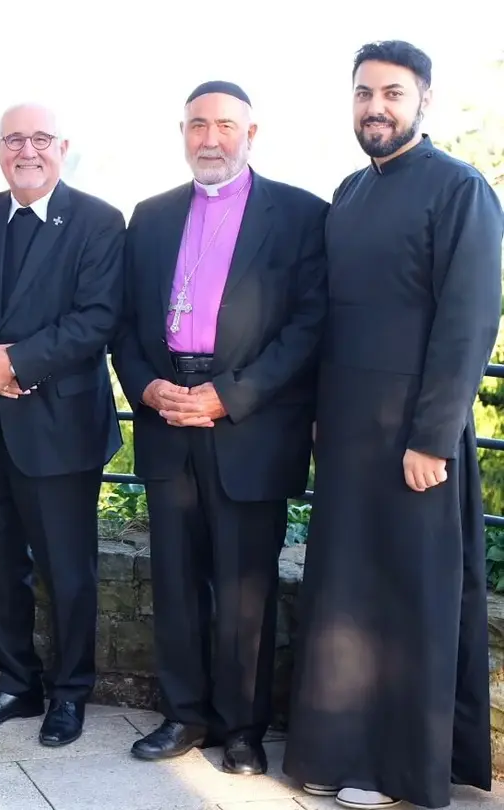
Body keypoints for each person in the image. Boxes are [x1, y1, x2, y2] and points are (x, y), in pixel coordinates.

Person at [282, 41, 503, 810]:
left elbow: (469, 321)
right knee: (345, 598)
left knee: (406, 602)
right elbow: (331, 320)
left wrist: (432, 438)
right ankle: (337, 750)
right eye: (363, 93)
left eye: (392, 93)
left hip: (415, 438)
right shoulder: (349, 192)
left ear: (423, 101)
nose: (375, 107)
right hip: (347, 433)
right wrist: (319, 416)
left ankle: (394, 770)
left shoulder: (460, 188)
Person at [111, 81, 328, 776]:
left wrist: (228, 397)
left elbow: (308, 328)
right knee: (174, 579)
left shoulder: (300, 215)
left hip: (248, 422)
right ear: (182, 132)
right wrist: (145, 386)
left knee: (245, 588)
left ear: (251, 134)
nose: (210, 138)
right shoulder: (150, 216)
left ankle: (241, 729)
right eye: (197, 125)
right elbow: (123, 321)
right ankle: (183, 714)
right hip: (167, 411)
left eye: (225, 126)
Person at [0, 102, 124, 747]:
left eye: (41, 139)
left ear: (63, 147)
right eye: (15, 139)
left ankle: (69, 694)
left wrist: (14, 362)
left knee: (68, 570)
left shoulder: (98, 221)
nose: (28, 151)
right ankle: (16, 683)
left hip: (59, 427)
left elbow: (97, 318)